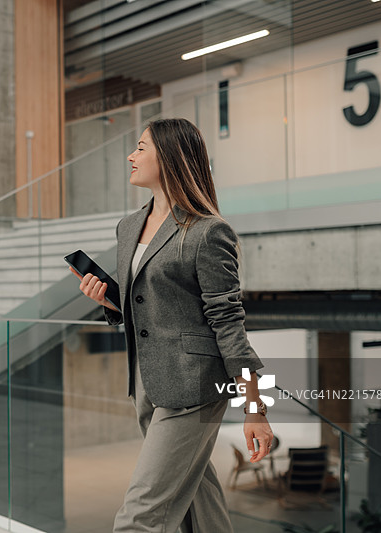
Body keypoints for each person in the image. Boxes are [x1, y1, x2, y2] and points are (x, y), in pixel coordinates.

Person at [69, 118, 273, 533]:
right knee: (199, 498)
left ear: (171, 156)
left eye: (141, 147)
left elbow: (229, 322)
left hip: (194, 386)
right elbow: (149, 307)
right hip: (146, 382)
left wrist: (255, 407)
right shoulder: (128, 227)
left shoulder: (207, 232)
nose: (131, 155)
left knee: (140, 516)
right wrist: (108, 298)